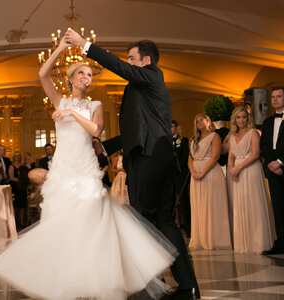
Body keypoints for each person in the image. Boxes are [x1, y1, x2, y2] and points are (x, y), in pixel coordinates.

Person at [0, 34, 177, 300]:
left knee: (90, 225)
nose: (87, 77)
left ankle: (95, 280)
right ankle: (65, 281)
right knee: (60, 225)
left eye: (90, 74)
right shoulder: (58, 100)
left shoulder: (95, 105)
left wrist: (72, 113)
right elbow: (43, 74)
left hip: (86, 171)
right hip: (62, 172)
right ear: (71, 77)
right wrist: (61, 47)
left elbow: (96, 129)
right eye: (82, 73)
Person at [66, 29, 199, 299]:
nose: (127, 62)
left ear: (145, 61)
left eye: (131, 58)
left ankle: (154, 288)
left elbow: (119, 68)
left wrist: (85, 45)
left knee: (145, 223)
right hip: (159, 159)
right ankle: (188, 287)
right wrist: (106, 146)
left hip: (149, 159)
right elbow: (135, 129)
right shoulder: (145, 90)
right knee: (164, 223)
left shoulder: (152, 75)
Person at [260, 86, 284, 257]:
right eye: (273, 97)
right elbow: (264, 145)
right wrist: (270, 163)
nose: (275, 100)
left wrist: (280, 162)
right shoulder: (268, 122)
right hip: (273, 171)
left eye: (279, 96)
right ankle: (281, 242)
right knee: (278, 207)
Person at [228, 106, 273, 254]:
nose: (241, 120)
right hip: (236, 172)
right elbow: (230, 155)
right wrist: (231, 169)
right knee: (241, 206)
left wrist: (238, 167)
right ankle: (244, 242)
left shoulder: (253, 132)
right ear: (235, 119)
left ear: (248, 119)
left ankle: (258, 243)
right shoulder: (232, 135)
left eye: (244, 117)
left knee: (254, 203)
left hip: (251, 170)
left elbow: (255, 154)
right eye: (239, 117)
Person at [188, 114, 231, 250]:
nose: (199, 122)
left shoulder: (215, 136)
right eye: (197, 120)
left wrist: (203, 172)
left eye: (201, 119)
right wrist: (193, 172)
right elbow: (190, 158)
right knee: (199, 206)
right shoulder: (194, 139)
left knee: (212, 205)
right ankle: (201, 239)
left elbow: (216, 156)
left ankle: (216, 240)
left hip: (211, 173)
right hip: (195, 175)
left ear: (208, 122)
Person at [171, 119, 191, 238]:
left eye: (172, 126)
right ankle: (172, 230)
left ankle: (188, 229)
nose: (170, 129)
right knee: (169, 202)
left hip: (180, 174)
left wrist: (175, 165)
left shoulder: (183, 141)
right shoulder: (165, 141)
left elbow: (184, 157)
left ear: (177, 128)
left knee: (183, 202)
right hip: (168, 176)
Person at [9, 151, 27, 230]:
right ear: (14, 157)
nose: (18, 157)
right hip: (15, 187)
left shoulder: (23, 165)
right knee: (15, 205)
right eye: (16, 156)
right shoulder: (11, 166)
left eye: (19, 156)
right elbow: (11, 177)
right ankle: (15, 222)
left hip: (22, 188)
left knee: (22, 205)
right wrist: (20, 181)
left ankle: (22, 222)